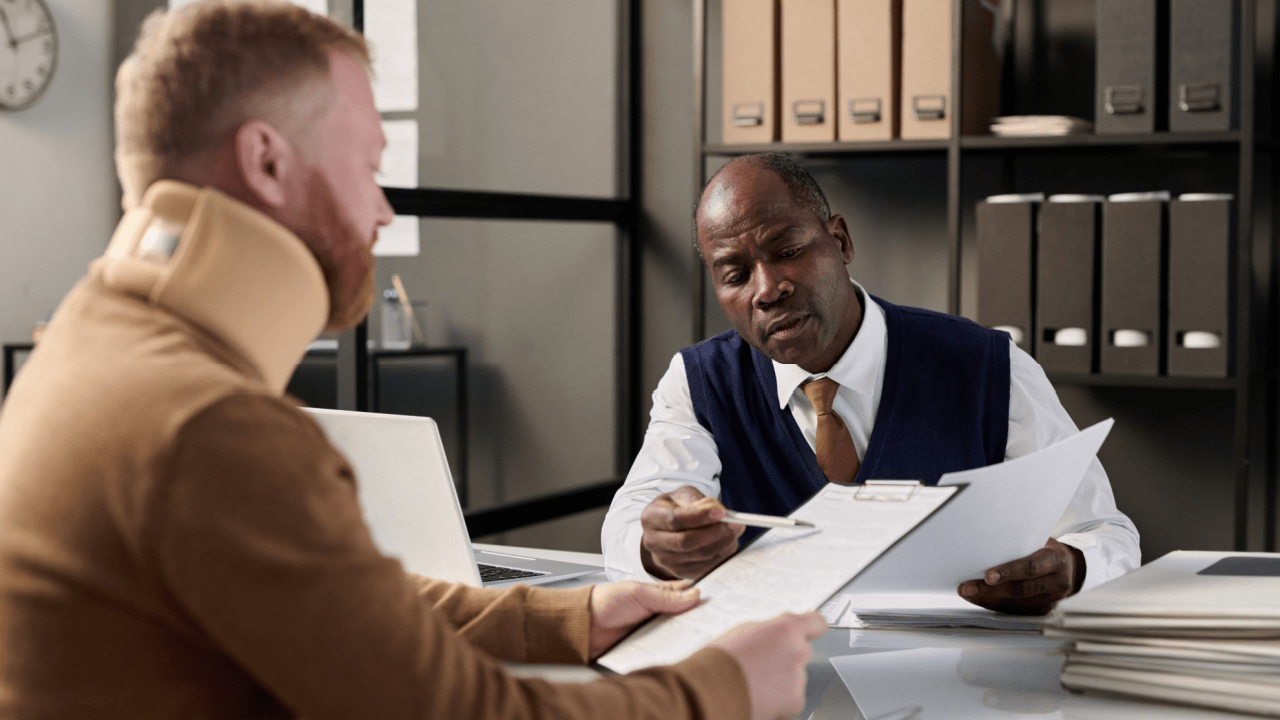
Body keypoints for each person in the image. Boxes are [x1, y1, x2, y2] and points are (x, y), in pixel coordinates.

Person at [0, 4, 827, 719]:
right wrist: (724, 689)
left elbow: (334, 613)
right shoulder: (206, 427)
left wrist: (565, 621)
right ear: (265, 161)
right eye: (367, 167)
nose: (381, 211)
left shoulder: (84, 351)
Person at [602, 153, 1141, 615]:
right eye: (736, 274)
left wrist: (1073, 566)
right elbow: (627, 526)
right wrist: (656, 546)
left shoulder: (987, 365)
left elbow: (1105, 533)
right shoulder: (700, 383)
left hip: (956, 687)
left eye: (787, 251)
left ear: (839, 241)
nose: (768, 289)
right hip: (781, 687)